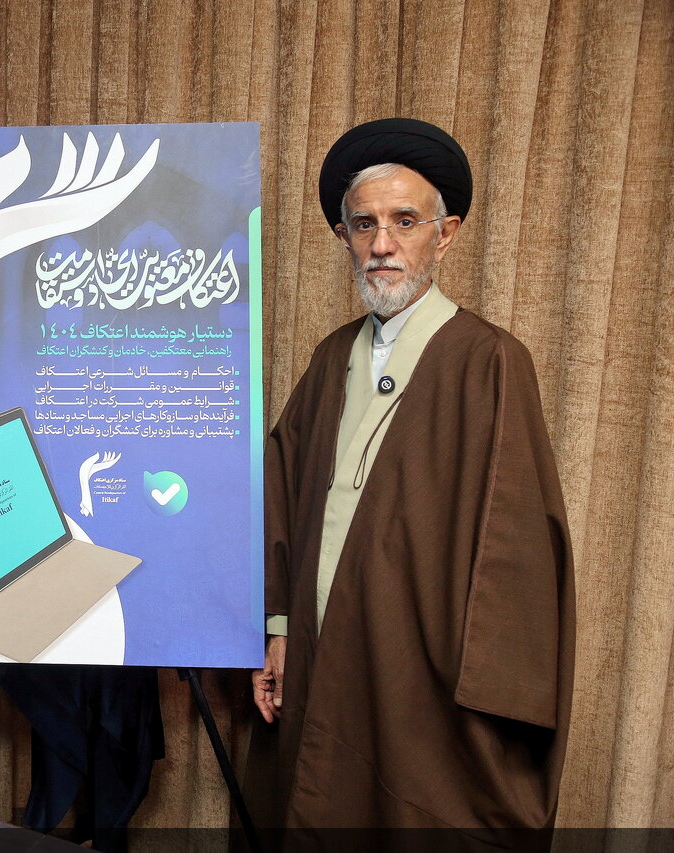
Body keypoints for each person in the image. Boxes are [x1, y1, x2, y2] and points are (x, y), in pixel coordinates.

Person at [248, 118, 574, 834]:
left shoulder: (490, 360)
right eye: (364, 225)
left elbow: (517, 550)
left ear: (444, 234)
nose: (382, 245)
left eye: (404, 221)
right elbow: (281, 500)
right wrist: (279, 627)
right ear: (344, 238)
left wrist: (478, 692)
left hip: (415, 674)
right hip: (317, 650)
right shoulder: (330, 358)